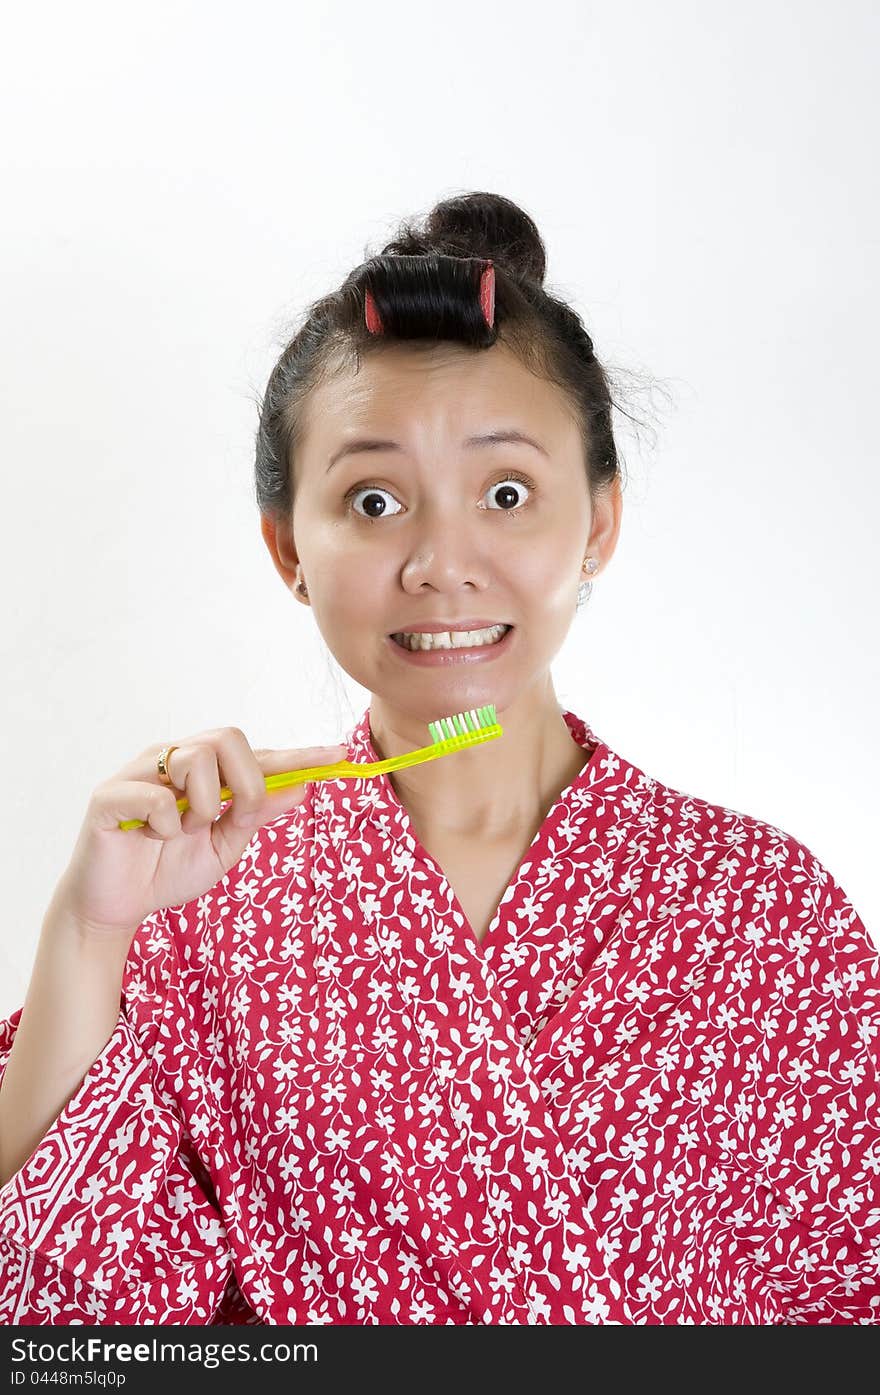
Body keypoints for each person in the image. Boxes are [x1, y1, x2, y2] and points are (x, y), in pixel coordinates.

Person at [0, 191, 876, 1326]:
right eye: (373, 500)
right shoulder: (199, 904)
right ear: (288, 549)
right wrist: (89, 929)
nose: (439, 564)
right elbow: (64, 1317)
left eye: (505, 494)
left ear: (598, 523)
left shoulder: (767, 911)